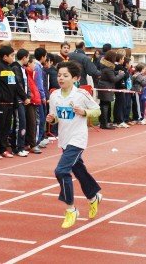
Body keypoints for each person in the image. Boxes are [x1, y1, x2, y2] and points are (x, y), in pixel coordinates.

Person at [46, 61, 102, 228]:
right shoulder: (54, 95)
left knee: (61, 171)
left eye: (65, 75)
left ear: (76, 78)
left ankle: (71, 209)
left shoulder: (81, 94)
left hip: (77, 139)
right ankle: (93, 196)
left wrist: (84, 112)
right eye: (59, 75)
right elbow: (55, 116)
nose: (61, 78)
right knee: (78, 169)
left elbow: (97, 110)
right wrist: (52, 119)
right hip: (64, 139)